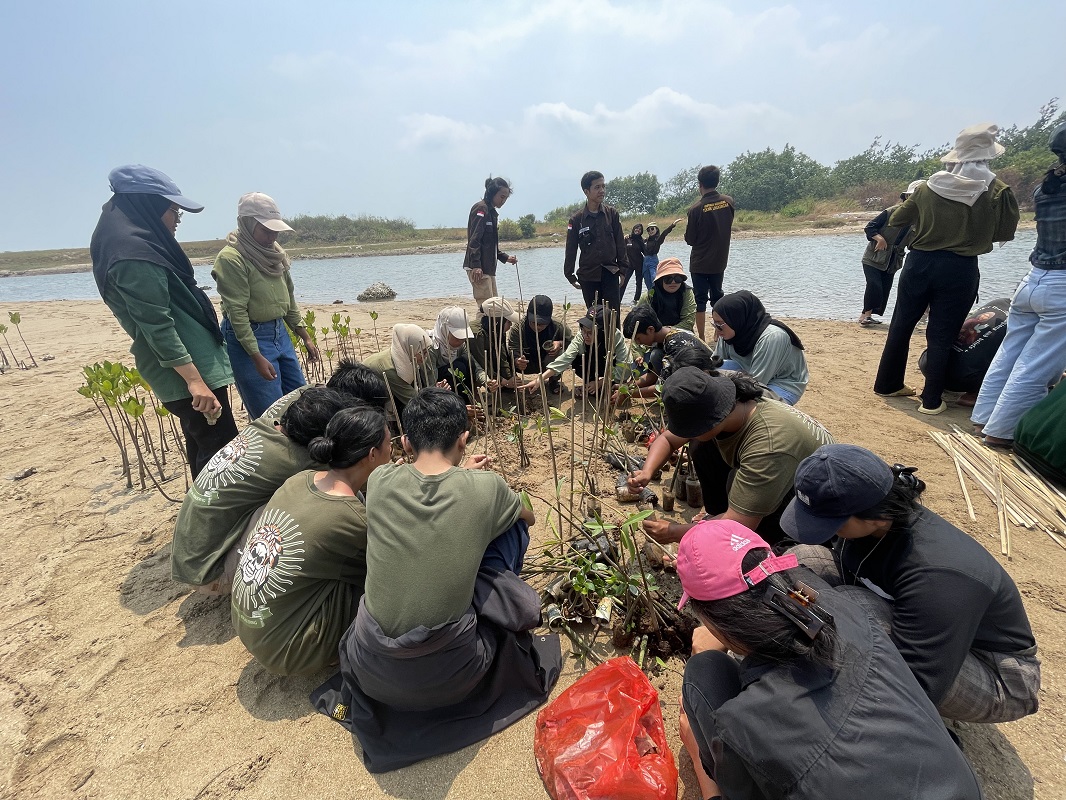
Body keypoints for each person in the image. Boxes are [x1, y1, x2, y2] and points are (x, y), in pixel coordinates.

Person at [313, 388, 562, 772]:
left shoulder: (378, 481)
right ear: (464, 438)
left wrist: (464, 482)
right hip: (452, 676)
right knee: (512, 531)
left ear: (407, 441)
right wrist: (485, 491)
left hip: (371, 667)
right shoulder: (487, 487)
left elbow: (428, 491)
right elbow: (526, 515)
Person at [676, 519, 983, 800]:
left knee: (704, 672)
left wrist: (703, 769)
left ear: (711, 617)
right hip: (958, 788)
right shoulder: (848, 611)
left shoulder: (744, 723)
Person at [783, 444, 1040, 724]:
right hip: (927, 626)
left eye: (832, 523)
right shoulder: (871, 520)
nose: (825, 531)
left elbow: (919, 686)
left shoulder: (938, 574)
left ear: (878, 518)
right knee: (800, 559)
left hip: (998, 674)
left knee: (852, 608)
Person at [171, 363, 388, 591]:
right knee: (319, 502)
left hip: (191, 555)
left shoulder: (267, 425)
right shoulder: (301, 461)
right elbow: (353, 486)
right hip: (211, 571)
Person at [90, 164, 238, 478]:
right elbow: (156, 324)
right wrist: (195, 380)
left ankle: (206, 518)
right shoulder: (133, 255)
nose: (176, 221)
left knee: (207, 448)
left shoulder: (135, 245)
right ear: (150, 206)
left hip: (195, 369)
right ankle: (216, 522)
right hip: (190, 374)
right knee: (223, 453)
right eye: (174, 211)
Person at [231, 402, 391, 676]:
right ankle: (336, 655)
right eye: (390, 444)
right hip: (290, 652)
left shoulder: (301, 479)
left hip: (251, 627)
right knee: (384, 581)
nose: (393, 449)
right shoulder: (351, 518)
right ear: (373, 454)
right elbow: (390, 568)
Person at [874, 123, 1020, 414]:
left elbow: (899, 219)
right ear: (989, 156)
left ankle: (887, 385)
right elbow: (1004, 232)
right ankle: (931, 401)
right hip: (960, 268)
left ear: (957, 156)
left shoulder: (929, 186)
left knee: (901, 325)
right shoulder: (998, 191)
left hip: (919, 263)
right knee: (942, 333)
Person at [628, 367, 833, 545]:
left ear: (709, 422)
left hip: (813, 502)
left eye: (689, 429)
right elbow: (668, 440)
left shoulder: (767, 446)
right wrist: (647, 472)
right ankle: (715, 516)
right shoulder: (729, 406)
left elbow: (738, 525)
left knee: (739, 531)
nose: (685, 434)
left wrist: (674, 533)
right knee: (702, 446)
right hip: (785, 472)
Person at [971, 122, 1066, 447]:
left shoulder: (1047, 188)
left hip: (1033, 280)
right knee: (1037, 365)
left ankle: (984, 419)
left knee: (1010, 353)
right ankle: (1000, 432)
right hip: (1061, 288)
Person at [213, 192, 320, 420]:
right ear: (247, 224)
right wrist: (255, 356)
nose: (272, 237)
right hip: (250, 337)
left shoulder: (276, 255)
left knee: (301, 402)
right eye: (266, 230)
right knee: (270, 415)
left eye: (275, 231)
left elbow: (288, 299)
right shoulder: (232, 258)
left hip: (279, 332)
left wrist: (304, 336)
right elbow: (237, 313)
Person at [712, 290, 808, 405]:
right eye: (714, 324)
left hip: (782, 383)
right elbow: (714, 364)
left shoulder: (772, 337)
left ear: (737, 319)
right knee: (714, 371)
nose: (717, 330)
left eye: (719, 324)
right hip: (747, 371)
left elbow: (756, 383)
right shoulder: (728, 332)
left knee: (751, 407)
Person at [519, 305, 629, 399]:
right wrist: (540, 379)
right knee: (576, 360)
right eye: (583, 330)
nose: (585, 336)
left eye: (590, 333)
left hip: (610, 368)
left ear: (603, 331)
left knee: (616, 385)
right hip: (592, 365)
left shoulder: (615, 336)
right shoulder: (581, 336)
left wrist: (601, 382)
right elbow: (565, 358)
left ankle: (601, 386)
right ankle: (590, 384)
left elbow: (625, 365)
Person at [917, 298, 1010, 407]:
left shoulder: (998, 302)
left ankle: (938, 384)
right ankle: (974, 394)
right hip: (963, 379)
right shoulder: (1027, 320)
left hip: (928, 366)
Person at [563, 171, 628, 316]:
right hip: (588, 276)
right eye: (597, 187)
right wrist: (570, 275)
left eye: (603, 186)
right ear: (586, 191)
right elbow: (571, 249)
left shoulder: (612, 214)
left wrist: (623, 270)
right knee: (593, 320)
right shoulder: (576, 220)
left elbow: (620, 244)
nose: (602, 191)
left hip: (610, 274)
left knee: (613, 318)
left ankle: (613, 340)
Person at [858, 180, 922, 326]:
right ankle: (867, 316)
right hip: (874, 256)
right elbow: (870, 228)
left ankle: (864, 316)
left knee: (883, 289)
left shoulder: (921, 218)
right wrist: (879, 238)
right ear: (906, 198)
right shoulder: (891, 212)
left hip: (893, 260)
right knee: (874, 286)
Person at [619, 304, 716, 400]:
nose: (638, 343)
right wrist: (625, 387)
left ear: (650, 330)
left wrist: (627, 394)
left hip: (711, 381)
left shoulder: (675, 343)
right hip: (698, 375)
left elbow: (663, 388)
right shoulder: (662, 336)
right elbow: (652, 375)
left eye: (638, 338)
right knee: (656, 355)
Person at [685, 165, 735, 340]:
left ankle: (701, 336)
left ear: (700, 184)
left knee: (700, 300)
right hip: (720, 260)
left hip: (700, 262)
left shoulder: (695, 209)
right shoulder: (728, 202)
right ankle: (717, 334)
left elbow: (690, 239)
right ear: (717, 181)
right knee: (717, 296)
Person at [463, 177, 518, 311]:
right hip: (479, 268)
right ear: (492, 193)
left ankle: (492, 332)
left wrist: (505, 257)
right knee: (486, 308)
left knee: (494, 306)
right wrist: (476, 265)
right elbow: (474, 240)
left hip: (488, 268)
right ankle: (481, 332)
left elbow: (490, 245)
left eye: (505, 198)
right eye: (501, 197)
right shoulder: (481, 209)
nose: (503, 201)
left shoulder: (492, 212)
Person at [362, 324, 434, 418]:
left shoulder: (405, 356)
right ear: (410, 348)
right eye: (423, 352)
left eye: (427, 352)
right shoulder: (390, 369)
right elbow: (412, 400)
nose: (426, 357)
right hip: (366, 396)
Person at [508, 295, 574, 394]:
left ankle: (553, 380)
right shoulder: (518, 328)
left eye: (541, 324)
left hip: (548, 365)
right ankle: (514, 382)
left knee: (562, 352)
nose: (537, 326)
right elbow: (512, 348)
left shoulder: (558, 325)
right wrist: (517, 360)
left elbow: (573, 344)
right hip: (526, 364)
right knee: (504, 353)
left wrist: (560, 343)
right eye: (533, 322)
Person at [431, 306, 495, 403]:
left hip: (456, 383)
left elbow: (474, 364)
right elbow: (429, 381)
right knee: (458, 366)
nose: (461, 341)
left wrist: (486, 381)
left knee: (466, 360)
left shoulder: (461, 346)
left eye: (463, 337)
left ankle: (469, 401)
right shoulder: (432, 347)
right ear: (444, 330)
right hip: (439, 387)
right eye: (457, 337)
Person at [469, 296, 522, 388]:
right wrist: (505, 382)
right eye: (508, 322)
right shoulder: (477, 334)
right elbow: (481, 362)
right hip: (476, 367)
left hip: (489, 363)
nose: (511, 325)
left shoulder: (499, 330)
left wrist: (511, 377)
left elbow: (502, 357)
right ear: (497, 322)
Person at [635, 257, 696, 331]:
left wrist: (665, 332)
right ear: (660, 280)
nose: (673, 282)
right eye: (668, 279)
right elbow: (637, 320)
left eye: (677, 278)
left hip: (680, 333)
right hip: (652, 335)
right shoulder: (649, 296)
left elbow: (688, 322)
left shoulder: (686, 292)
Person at [640, 219, 682, 290]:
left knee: (654, 278)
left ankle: (659, 292)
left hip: (653, 260)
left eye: (652, 229)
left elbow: (665, 233)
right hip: (645, 261)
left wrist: (673, 225)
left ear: (656, 229)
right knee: (647, 279)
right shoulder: (646, 240)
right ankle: (651, 295)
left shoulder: (658, 239)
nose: (650, 231)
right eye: (648, 230)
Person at [623, 223, 645, 301]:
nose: (638, 230)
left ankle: (636, 300)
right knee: (624, 282)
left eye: (640, 229)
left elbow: (646, 252)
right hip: (628, 265)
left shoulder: (641, 240)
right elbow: (620, 249)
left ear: (641, 232)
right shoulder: (627, 238)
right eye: (636, 228)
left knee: (639, 284)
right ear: (633, 229)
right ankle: (618, 300)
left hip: (639, 264)